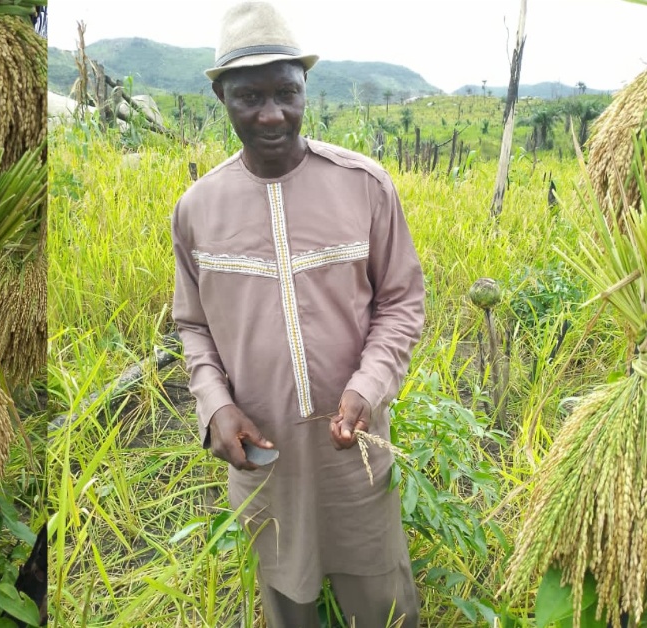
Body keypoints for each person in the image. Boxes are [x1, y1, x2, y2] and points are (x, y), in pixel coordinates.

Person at [170, 3, 425, 626]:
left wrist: (367, 386)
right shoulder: (198, 208)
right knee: (287, 597)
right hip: (264, 454)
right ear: (220, 96)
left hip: (353, 451)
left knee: (382, 599)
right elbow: (194, 325)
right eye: (248, 96)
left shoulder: (364, 185)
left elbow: (400, 302)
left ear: (305, 87)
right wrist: (215, 407)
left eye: (287, 92)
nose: (271, 114)